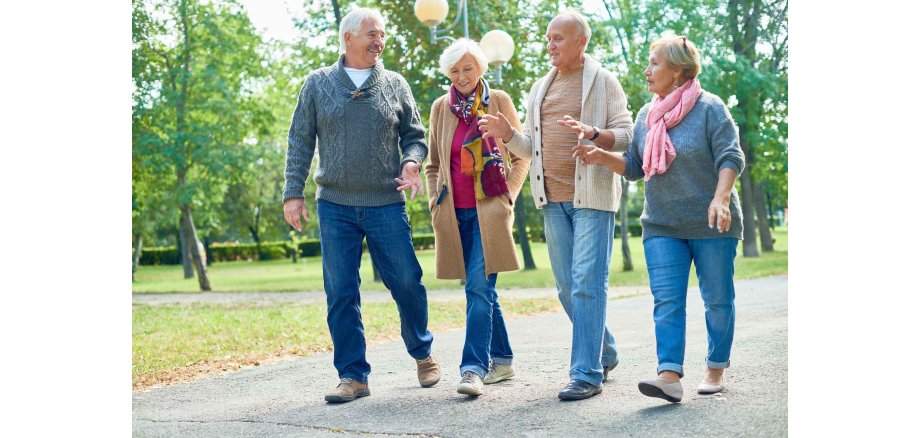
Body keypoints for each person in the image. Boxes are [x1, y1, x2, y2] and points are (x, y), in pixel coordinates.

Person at [572, 36, 745, 403]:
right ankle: (669, 376)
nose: (647, 70)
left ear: (679, 71)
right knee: (667, 302)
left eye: (655, 64)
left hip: (712, 223)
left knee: (717, 299)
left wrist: (721, 198)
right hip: (662, 224)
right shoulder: (647, 116)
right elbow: (634, 166)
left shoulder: (710, 108)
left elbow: (731, 156)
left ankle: (715, 365)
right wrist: (602, 156)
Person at [282, 7, 441, 404]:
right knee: (340, 291)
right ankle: (353, 376)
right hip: (335, 203)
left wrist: (412, 161)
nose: (379, 41)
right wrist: (292, 193)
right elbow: (300, 141)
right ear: (348, 37)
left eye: (382, 35)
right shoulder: (317, 84)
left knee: (406, 280)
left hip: (386, 202)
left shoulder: (395, 84)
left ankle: (422, 351)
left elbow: (415, 136)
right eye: (372, 34)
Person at [478, 10, 633, 401]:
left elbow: (628, 134)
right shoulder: (540, 87)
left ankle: (586, 374)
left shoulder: (603, 82)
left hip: (592, 199)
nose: (550, 46)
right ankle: (605, 350)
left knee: (587, 284)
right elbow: (530, 147)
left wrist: (596, 136)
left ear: (581, 42)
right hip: (552, 200)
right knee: (567, 287)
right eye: (548, 39)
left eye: (558, 39)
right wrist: (508, 134)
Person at [425, 39, 530, 397]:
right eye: (454, 71)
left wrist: (508, 197)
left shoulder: (497, 101)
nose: (462, 76)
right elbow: (433, 165)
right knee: (482, 290)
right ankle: (502, 359)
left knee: (477, 288)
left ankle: (473, 369)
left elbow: (522, 155)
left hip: (490, 211)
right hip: (455, 216)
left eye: (468, 68)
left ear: (481, 68)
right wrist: (434, 203)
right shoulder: (441, 108)